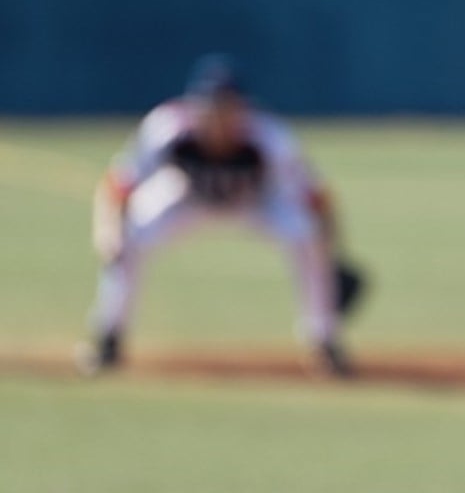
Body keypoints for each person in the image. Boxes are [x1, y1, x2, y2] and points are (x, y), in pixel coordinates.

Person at [77, 54, 365, 377]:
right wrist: (107, 231)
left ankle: (324, 341)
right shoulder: (167, 128)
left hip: (256, 202)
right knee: (128, 236)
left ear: (243, 108)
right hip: (185, 196)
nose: (218, 115)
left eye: (227, 106)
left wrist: (334, 254)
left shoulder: (269, 137)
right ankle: (108, 338)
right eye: (211, 106)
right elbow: (117, 185)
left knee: (305, 235)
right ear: (194, 106)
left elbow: (317, 197)